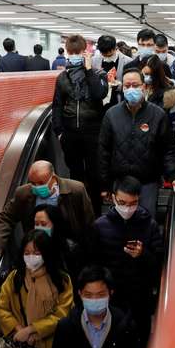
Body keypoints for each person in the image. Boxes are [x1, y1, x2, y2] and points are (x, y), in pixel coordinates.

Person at [87, 176, 164, 348]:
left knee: (140, 344)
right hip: (111, 297)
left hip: (140, 297)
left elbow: (159, 263)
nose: (127, 208)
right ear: (113, 198)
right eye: (122, 202)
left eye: (132, 203)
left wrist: (143, 254)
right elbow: (92, 261)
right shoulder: (100, 226)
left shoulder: (149, 225)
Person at [98, 69, 175, 216]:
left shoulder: (157, 114)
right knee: (120, 223)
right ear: (122, 88)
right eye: (127, 86)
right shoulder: (111, 115)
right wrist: (105, 184)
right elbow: (103, 151)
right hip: (120, 183)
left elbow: (168, 149)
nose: (131, 89)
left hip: (148, 182)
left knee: (146, 222)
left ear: (144, 87)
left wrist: (174, 175)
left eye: (135, 85)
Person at [0, 160, 96, 257]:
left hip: (68, 248)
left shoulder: (76, 190)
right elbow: (7, 216)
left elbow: (88, 222)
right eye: (33, 183)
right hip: (38, 249)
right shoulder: (23, 193)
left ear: (53, 178)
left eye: (41, 183)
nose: (37, 187)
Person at [52, 34, 108, 216]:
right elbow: (58, 105)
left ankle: (96, 212)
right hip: (70, 133)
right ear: (68, 52)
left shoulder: (98, 74)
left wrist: (89, 70)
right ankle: (78, 212)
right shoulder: (62, 77)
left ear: (86, 52)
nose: (75, 55)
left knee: (94, 173)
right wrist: (59, 131)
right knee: (75, 173)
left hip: (93, 132)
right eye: (72, 52)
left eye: (79, 52)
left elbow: (99, 94)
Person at [142, 54, 175, 134]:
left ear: (156, 75)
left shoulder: (166, 94)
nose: (147, 77)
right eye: (145, 74)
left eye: (149, 74)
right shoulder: (140, 86)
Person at [92, 35, 131, 108]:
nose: (107, 57)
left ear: (115, 48)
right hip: (98, 101)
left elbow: (129, 84)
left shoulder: (127, 61)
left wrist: (117, 84)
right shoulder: (94, 60)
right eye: (104, 54)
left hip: (117, 99)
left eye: (110, 55)